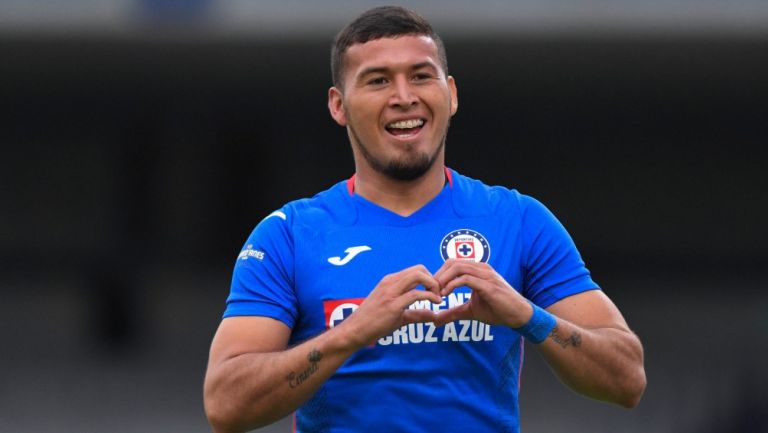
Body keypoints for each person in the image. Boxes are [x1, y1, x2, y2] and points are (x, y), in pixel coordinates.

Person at [203, 6, 646, 433]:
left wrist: (528, 316)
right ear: (339, 106)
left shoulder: (518, 219)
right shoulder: (289, 235)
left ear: (450, 94)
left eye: (421, 76)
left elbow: (627, 379)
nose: (404, 97)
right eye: (377, 81)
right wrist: (352, 334)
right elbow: (225, 406)